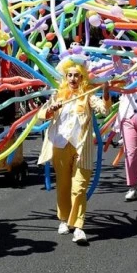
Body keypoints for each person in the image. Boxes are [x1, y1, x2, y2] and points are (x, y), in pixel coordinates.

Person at [37, 58, 110, 245]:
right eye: (70, 75)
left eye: (77, 75)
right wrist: (50, 110)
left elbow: (103, 109)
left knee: (79, 188)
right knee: (63, 185)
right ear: (65, 77)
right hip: (60, 145)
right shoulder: (58, 95)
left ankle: (78, 227)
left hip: (81, 147)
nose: (73, 79)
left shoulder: (88, 95)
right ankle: (63, 220)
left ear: (82, 77)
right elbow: (41, 115)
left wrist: (106, 91)